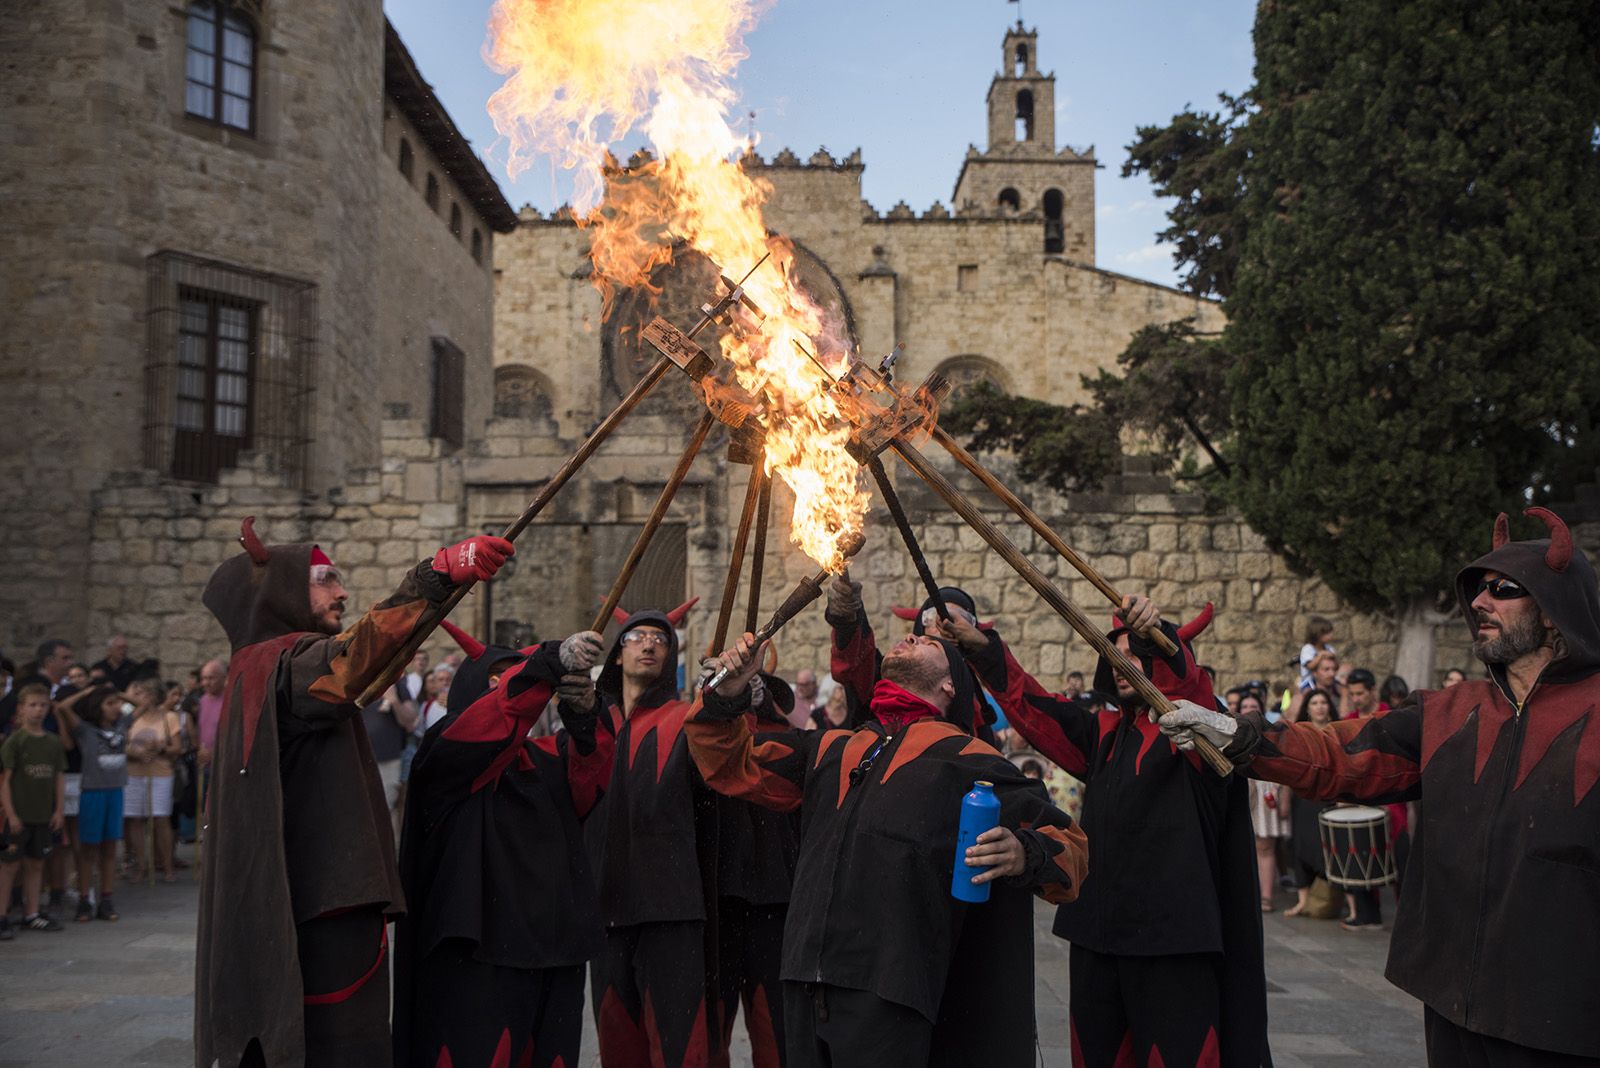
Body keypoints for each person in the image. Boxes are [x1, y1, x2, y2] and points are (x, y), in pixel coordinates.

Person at [1159, 507, 1600, 1065]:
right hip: (1452, 999)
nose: (1479, 602)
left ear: (1556, 612)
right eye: (1478, 589)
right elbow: (1340, 754)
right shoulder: (1448, 711)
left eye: (1504, 589)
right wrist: (1239, 735)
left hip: (1566, 1011)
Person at [194, 516, 513, 1068]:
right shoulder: (281, 665)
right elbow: (352, 664)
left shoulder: (265, 667)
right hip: (322, 906)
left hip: (312, 901)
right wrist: (436, 574)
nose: (342, 591)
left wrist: (444, 585)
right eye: (326, 578)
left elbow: (369, 661)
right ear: (278, 590)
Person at [691, 627, 1087, 1067]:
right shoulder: (832, 747)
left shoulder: (970, 760)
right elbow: (728, 763)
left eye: (929, 643)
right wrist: (727, 690)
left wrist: (1024, 851)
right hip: (804, 976)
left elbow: (1070, 847)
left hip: (889, 988)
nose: (911, 638)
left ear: (950, 685)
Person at [940, 599, 1269, 1068]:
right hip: (1096, 932)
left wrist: (1163, 640)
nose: (1121, 667)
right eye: (1115, 657)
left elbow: (1186, 691)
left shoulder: (1196, 735)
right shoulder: (1105, 732)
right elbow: (1037, 709)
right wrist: (986, 651)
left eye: (1135, 656)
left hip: (1173, 939)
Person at [393, 622, 610, 1068]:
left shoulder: (548, 756)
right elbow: (494, 722)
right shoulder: (445, 752)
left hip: (555, 949)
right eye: (499, 681)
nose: (519, 689)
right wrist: (547, 662)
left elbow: (594, 774)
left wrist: (586, 712)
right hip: (478, 956)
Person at [581, 599, 780, 1068]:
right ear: (618, 652)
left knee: (680, 1050)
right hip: (605, 913)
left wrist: (728, 697)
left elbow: (722, 753)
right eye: (636, 637)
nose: (649, 644)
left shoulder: (682, 718)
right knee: (618, 1048)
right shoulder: (592, 727)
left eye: (660, 639)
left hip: (672, 911)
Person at [53, 685, 128, 922]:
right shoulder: (85, 730)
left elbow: (144, 705)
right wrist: (88, 692)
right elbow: (62, 707)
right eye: (109, 703)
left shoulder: (122, 726)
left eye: (117, 703)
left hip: (115, 792)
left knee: (109, 848)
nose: (116, 707)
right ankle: (85, 898)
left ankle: (106, 898)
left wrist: (116, 693)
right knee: (88, 850)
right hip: (93, 793)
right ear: (98, 707)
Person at [0, 684, 67, 936]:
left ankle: (32, 912)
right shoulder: (15, 741)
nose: (38, 710)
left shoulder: (52, 742)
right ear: (21, 708)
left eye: (43, 705)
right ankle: (2, 914)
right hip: (18, 815)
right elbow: (5, 781)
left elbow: (58, 777)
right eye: (33, 705)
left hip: (42, 814)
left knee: (36, 863)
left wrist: (58, 810)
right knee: (8, 865)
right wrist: (11, 815)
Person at [1281, 688, 1336, 918]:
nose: (1320, 706)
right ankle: (1303, 900)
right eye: (1315, 702)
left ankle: (1329, 897)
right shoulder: (1300, 733)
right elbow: (1289, 767)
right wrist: (1284, 799)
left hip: (1328, 796)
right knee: (1301, 845)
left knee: (1326, 847)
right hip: (1303, 797)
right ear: (1308, 707)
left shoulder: (1336, 732)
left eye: (1324, 702)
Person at [123, 678, 183, 883]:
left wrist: (160, 747)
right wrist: (135, 752)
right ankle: (141, 865)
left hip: (160, 772)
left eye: (144, 694)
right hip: (134, 772)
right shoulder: (130, 717)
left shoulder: (169, 717)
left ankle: (166, 865)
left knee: (160, 818)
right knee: (135, 819)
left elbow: (177, 748)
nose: (140, 698)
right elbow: (119, 742)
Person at [1241, 692, 1289, 913]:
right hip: (1242, 789)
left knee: (1265, 846)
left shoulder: (1270, 734)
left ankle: (1266, 896)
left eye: (1254, 705)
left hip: (1264, 790)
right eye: (1245, 705)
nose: (1249, 709)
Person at [1298, 617, 1336, 690]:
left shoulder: (1329, 648)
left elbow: (1336, 665)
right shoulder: (1308, 649)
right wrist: (1321, 655)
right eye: (1327, 633)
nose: (1331, 636)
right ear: (1318, 634)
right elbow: (1310, 666)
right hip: (1309, 681)